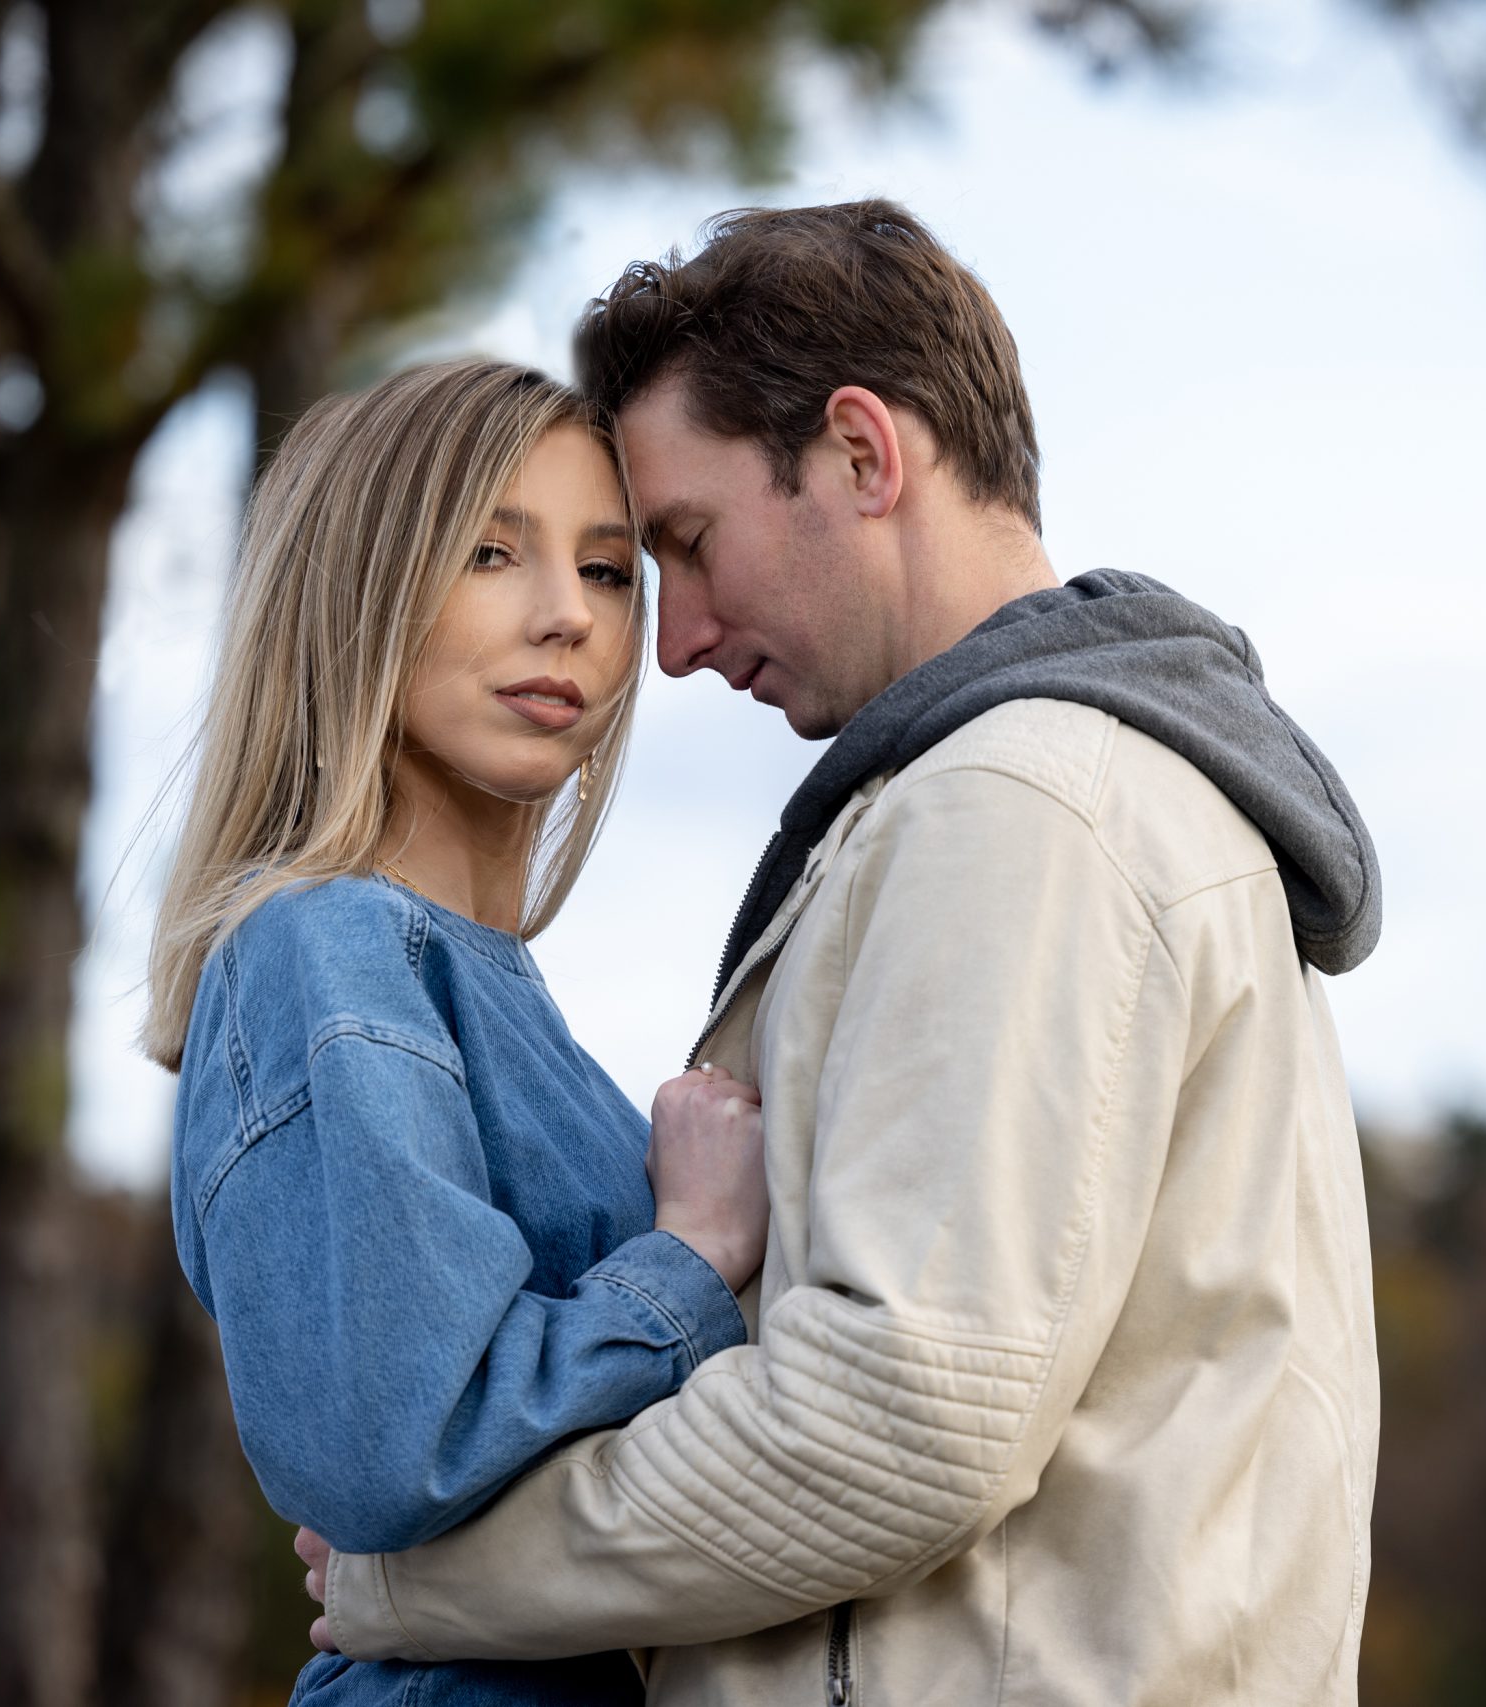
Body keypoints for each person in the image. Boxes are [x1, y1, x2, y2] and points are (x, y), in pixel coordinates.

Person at [306, 201, 1386, 1704]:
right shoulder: (1060, 793)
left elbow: (898, 1417)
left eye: (687, 542)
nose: (670, 642)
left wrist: (426, 1581)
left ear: (866, 456)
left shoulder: (1021, 805)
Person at [144, 358, 771, 1706]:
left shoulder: (476, 982)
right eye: (491, 552)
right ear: (356, 590)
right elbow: (401, 1441)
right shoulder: (329, 946)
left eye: (610, 571)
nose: (567, 618)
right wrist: (695, 1257)